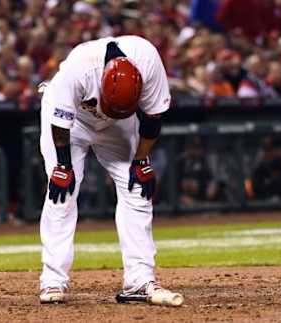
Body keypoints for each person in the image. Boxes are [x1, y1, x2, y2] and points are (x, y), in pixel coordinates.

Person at [38, 35, 183, 306]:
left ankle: (139, 280)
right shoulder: (79, 70)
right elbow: (59, 124)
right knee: (63, 192)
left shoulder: (148, 62)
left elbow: (152, 119)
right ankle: (53, 281)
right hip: (73, 122)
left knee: (137, 187)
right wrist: (63, 166)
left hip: (121, 125)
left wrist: (141, 160)